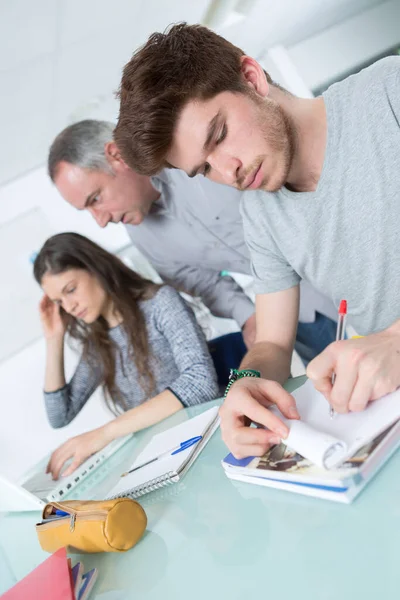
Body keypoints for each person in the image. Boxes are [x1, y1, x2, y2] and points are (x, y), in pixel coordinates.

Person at [114, 23, 400, 457]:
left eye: (220, 135)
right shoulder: (261, 214)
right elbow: (271, 343)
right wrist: (244, 388)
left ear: (251, 77)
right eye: (204, 169)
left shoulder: (387, 93)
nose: (228, 172)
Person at [48, 119, 337, 364]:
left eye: (95, 199)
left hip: (346, 268)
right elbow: (204, 283)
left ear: (117, 156)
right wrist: (247, 317)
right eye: (86, 210)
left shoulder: (201, 154)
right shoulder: (142, 236)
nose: (100, 220)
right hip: (300, 318)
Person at [33, 232, 219, 478]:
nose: (69, 307)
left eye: (71, 290)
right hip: (162, 459)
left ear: (96, 268)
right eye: (59, 301)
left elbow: (200, 384)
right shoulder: (98, 343)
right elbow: (60, 414)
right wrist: (53, 338)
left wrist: (105, 433)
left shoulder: (160, 303)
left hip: (205, 445)